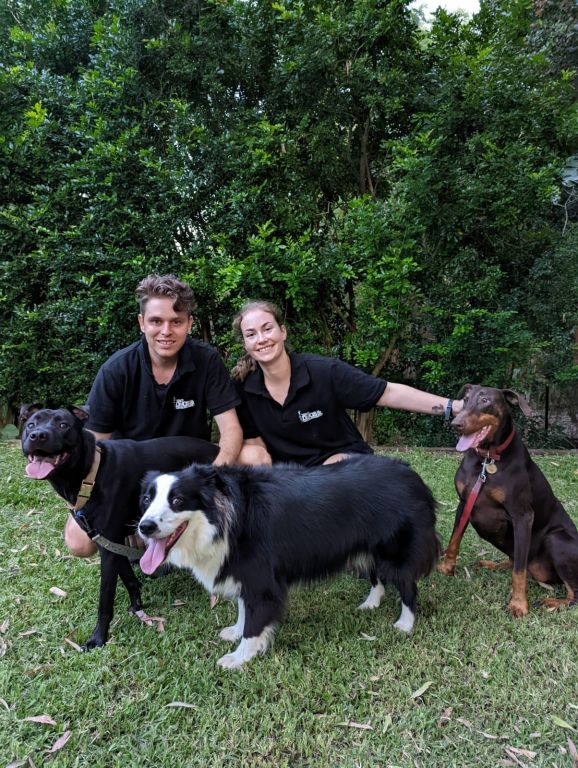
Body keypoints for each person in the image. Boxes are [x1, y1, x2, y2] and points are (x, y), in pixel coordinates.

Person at [65, 274, 243, 556]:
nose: (166, 331)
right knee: (79, 542)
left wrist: (212, 481)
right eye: (156, 321)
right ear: (141, 323)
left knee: (255, 457)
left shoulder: (205, 359)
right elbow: (92, 449)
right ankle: (135, 532)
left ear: (189, 324)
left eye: (176, 322)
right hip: (131, 478)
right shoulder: (116, 370)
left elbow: (231, 430)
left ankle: (233, 534)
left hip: (187, 473)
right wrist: (87, 497)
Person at [232, 300, 463, 467]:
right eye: (251, 334)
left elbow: (388, 393)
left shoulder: (324, 372)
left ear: (283, 332)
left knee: (334, 471)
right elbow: (257, 450)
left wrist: (452, 406)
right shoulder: (244, 389)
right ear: (245, 343)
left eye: (267, 328)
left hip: (343, 467)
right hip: (295, 484)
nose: (261, 339)